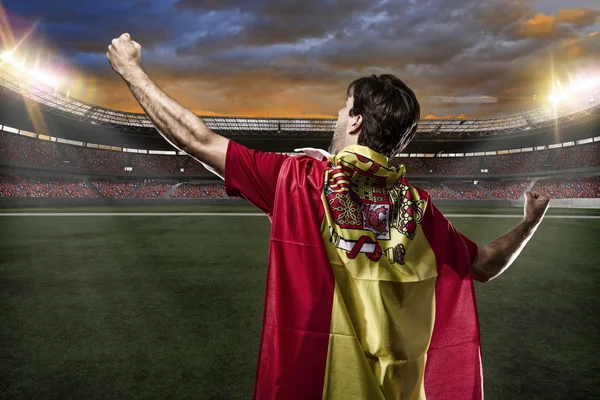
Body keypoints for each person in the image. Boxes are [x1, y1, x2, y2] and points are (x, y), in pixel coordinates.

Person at [107, 33, 550, 400]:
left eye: (344, 107)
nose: (337, 115)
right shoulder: (418, 208)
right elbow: (483, 265)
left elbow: (195, 139)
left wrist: (130, 70)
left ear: (356, 121)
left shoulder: (300, 180)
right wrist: (529, 222)